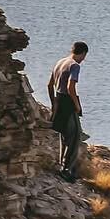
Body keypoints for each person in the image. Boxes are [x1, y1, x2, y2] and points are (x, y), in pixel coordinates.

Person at [47, 41, 88, 180]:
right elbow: (71, 87)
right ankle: (66, 170)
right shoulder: (74, 66)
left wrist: (53, 104)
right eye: (84, 56)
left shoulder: (60, 62)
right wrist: (76, 105)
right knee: (75, 135)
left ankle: (61, 166)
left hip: (58, 100)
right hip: (68, 102)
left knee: (64, 135)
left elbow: (49, 84)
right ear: (83, 53)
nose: (83, 59)